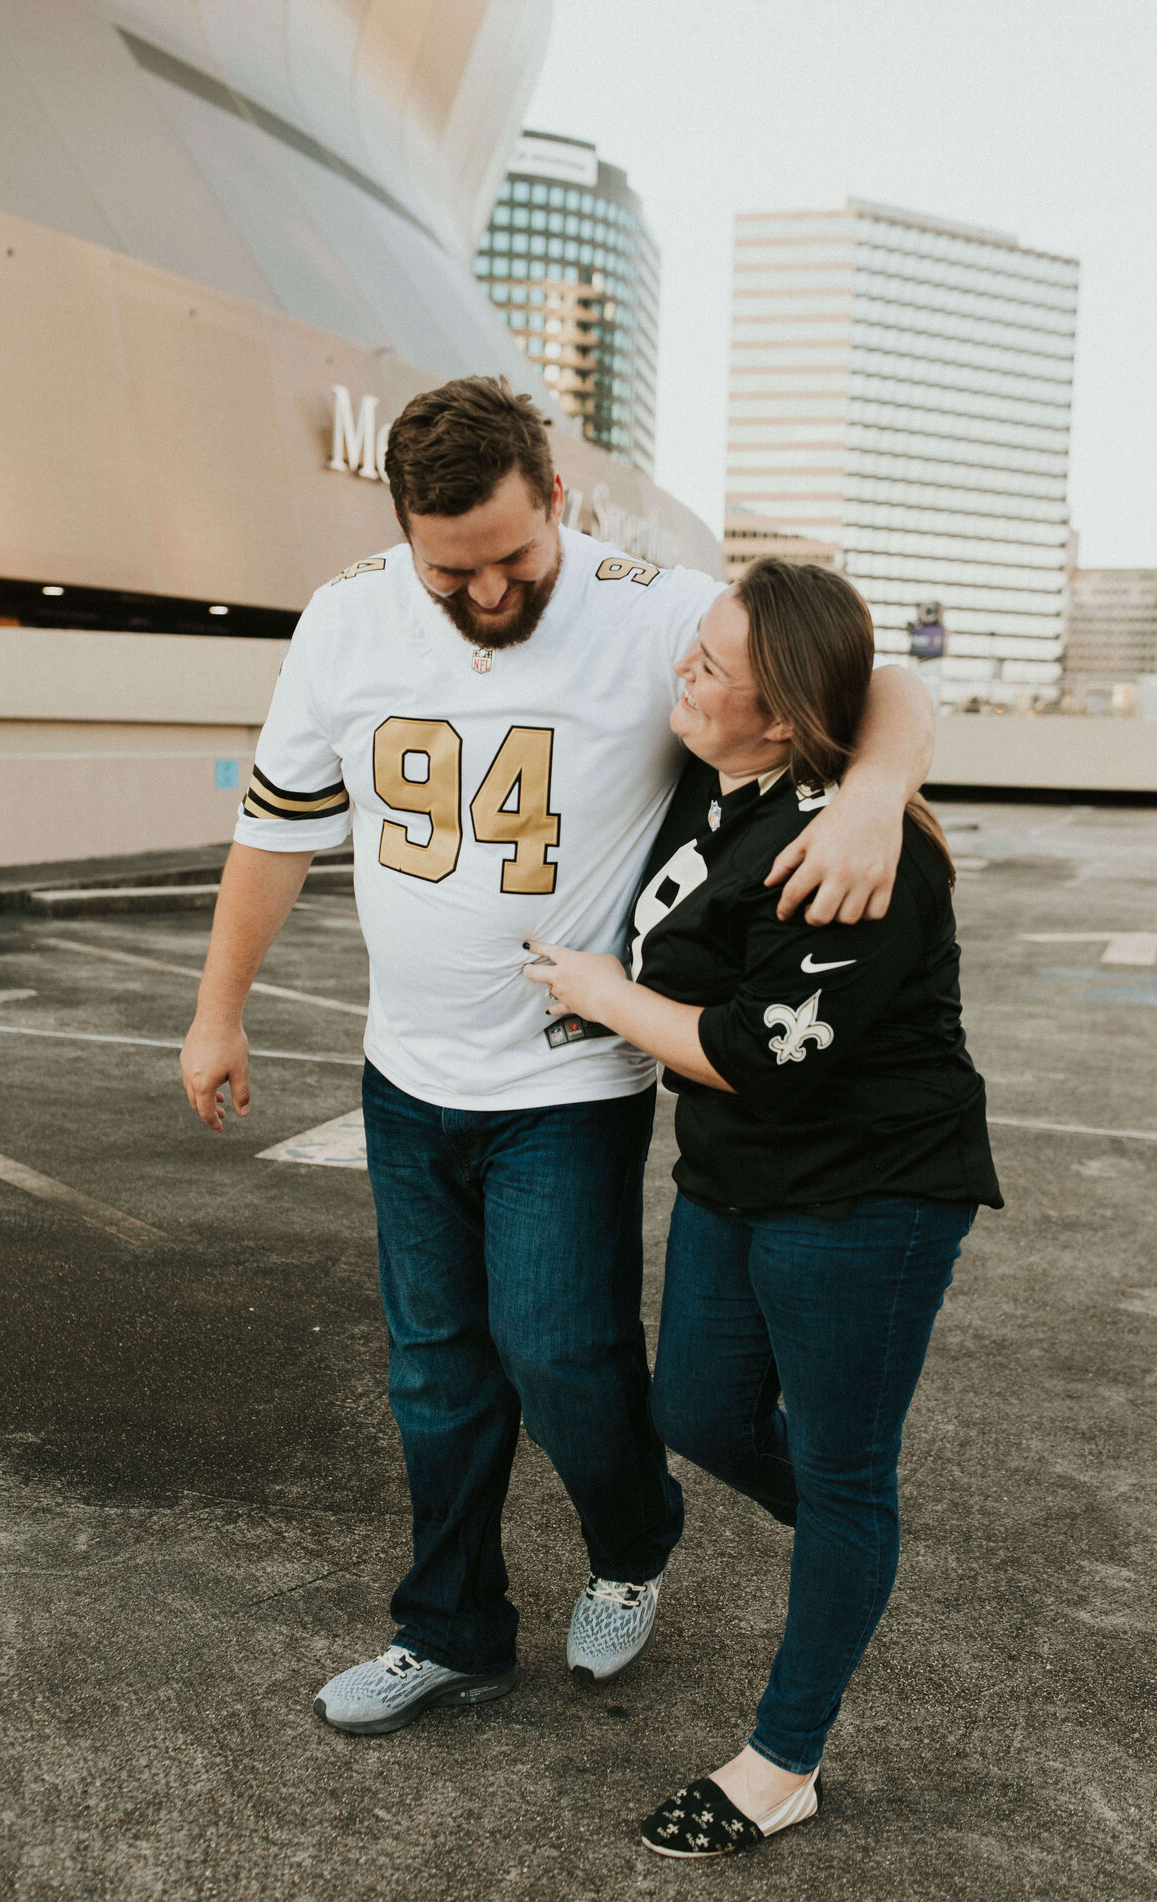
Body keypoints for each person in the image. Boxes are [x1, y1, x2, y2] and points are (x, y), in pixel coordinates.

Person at [179, 379, 935, 1739]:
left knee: (562, 1354)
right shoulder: (347, 616)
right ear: (403, 529)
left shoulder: (653, 607)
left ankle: (635, 1534)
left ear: (561, 502)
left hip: (566, 1080)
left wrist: (876, 789)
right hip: (405, 1076)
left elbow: (871, 673)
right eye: (448, 568)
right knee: (432, 1369)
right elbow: (276, 828)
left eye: (513, 562)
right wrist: (216, 1007)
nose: (483, 596)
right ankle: (451, 1626)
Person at [522, 558, 1001, 1857]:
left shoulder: (849, 848)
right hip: (741, 1169)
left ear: (780, 714)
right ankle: (858, 1531)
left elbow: (755, 1047)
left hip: (866, 1187)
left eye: (708, 667)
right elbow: (893, 681)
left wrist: (605, 992)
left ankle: (783, 1761)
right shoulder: (712, 771)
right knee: (698, 1410)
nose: (680, 672)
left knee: (842, 1473)